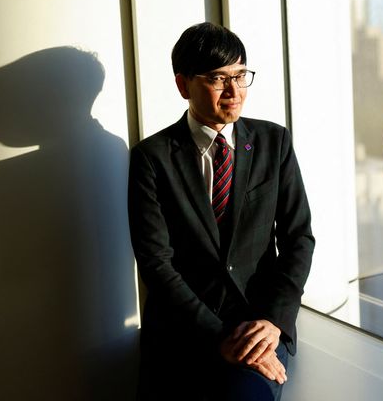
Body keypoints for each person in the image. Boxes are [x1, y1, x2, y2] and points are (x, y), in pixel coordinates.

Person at [128, 22, 315, 400]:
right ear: (183, 85)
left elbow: (299, 238)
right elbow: (155, 262)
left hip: (257, 327)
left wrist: (273, 323)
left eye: (240, 76)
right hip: (185, 332)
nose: (234, 92)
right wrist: (218, 336)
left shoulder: (273, 142)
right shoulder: (152, 158)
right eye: (218, 79)